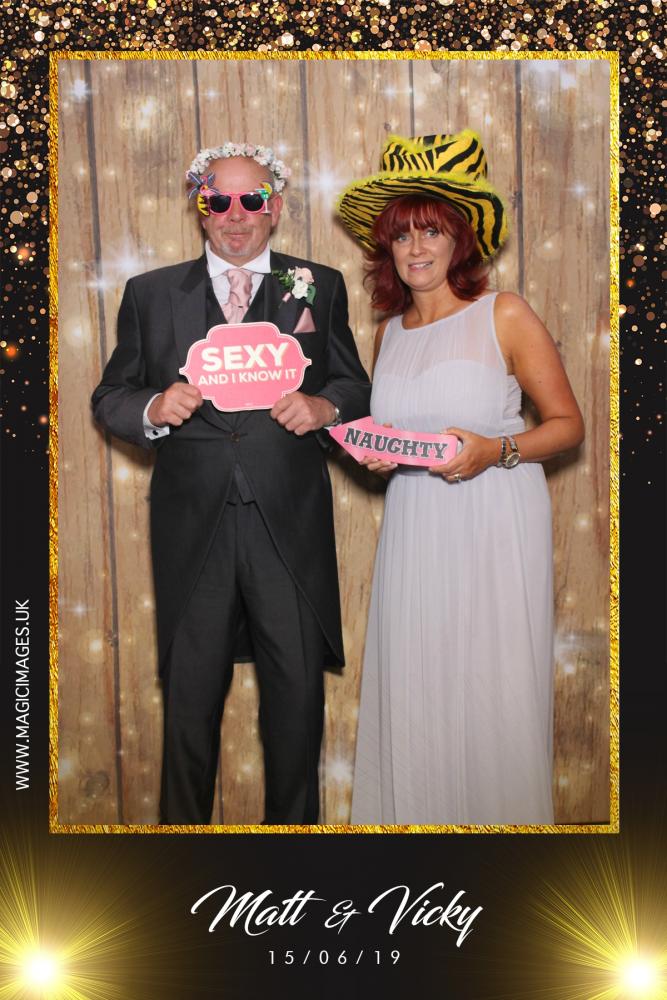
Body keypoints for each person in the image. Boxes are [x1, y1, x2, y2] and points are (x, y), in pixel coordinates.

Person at [92, 142, 371, 825]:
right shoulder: (152, 293)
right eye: (218, 200)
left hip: (288, 526)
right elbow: (110, 396)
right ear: (201, 208)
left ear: (274, 207)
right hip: (195, 528)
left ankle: (293, 859)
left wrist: (323, 408)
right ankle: (182, 861)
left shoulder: (317, 283)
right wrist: (153, 407)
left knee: (296, 702)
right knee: (189, 706)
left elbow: (351, 383)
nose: (235, 214)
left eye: (251, 199)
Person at [337, 131, 584, 825]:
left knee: (488, 683)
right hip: (416, 522)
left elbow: (567, 425)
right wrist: (381, 453)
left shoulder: (503, 312)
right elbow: (406, 433)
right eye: (402, 235)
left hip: (493, 518)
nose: (415, 248)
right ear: (385, 247)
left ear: (460, 241)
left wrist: (494, 451)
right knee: (417, 676)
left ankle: (498, 849)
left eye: (432, 232)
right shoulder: (389, 332)